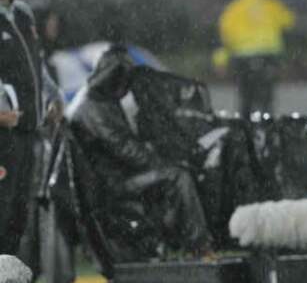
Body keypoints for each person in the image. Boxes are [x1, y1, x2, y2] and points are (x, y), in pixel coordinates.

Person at [69, 46, 214, 260]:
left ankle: (179, 242)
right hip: (113, 183)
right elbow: (126, 150)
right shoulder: (93, 108)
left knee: (176, 173)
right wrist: (158, 160)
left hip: (115, 175)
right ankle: (199, 245)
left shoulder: (98, 100)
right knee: (178, 177)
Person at [0, 0, 61, 283]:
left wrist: (52, 98)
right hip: (1, 135)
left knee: (16, 220)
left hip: (25, 133)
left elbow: (35, 66)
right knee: (0, 217)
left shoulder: (21, 14)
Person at [218, 0, 295, 117]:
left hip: (242, 57)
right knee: (266, 97)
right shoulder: (271, 4)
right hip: (268, 56)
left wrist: (221, 61)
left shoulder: (234, 8)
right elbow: (289, 22)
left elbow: (226, 36)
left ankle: (244, 128)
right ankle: (267, 126)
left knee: (245, 96)